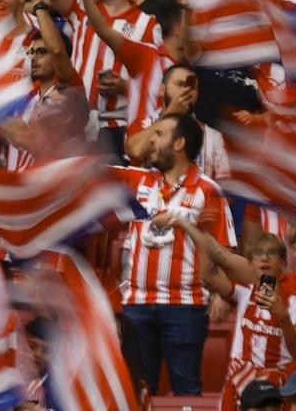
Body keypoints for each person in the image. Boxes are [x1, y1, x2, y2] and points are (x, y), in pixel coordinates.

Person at [118, 112, 234, 396]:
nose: (152, 141)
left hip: (185, 305)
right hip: (137, 303)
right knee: (136, 392)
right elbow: (94, 172)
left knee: (186, 391)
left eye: (159, 134)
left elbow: (224, 252)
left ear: (179, 143)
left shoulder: (208, 191)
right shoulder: (137, 181)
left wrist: (220, 294)